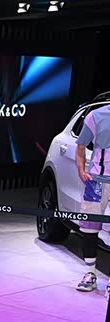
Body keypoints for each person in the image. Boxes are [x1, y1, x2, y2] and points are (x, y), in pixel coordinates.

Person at [76, 103, 110, 296]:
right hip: (96, 181)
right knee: (89, 228)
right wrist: (81, 170)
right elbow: (81, 146)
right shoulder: (95, 116)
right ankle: (90, 274)